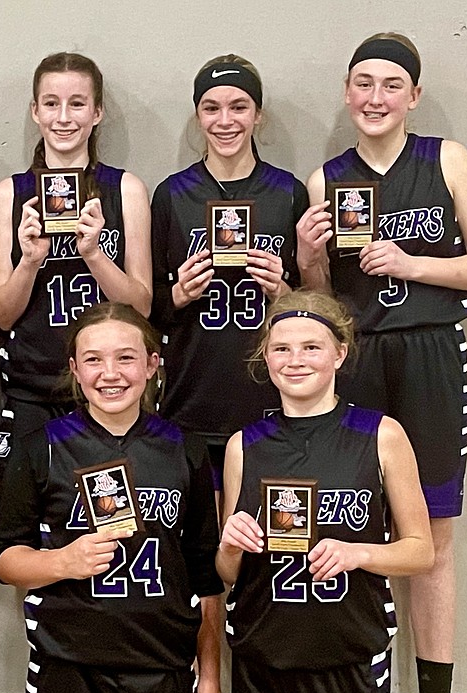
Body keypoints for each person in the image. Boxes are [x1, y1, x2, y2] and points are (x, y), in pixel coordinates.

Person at [296, 32, 467, 693]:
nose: (376, 96)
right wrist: (311, 254)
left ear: (412, 96)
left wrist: (412, 261)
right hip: (357, 359)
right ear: (347, 93)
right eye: (363, 83)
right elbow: (318, 300)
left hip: (427, 354)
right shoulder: (326, 180)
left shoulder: (444, 159)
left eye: (391, 84)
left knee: (434, 535)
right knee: (354, 531)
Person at [0, 303, 222, 693]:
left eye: (125, 358)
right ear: (74, 368)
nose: (110, 373)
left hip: (160, 667)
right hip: (72, 665)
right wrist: (61, 563)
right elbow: (4, 560)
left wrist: (209, 676)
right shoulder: (40, 445)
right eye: (93, 359)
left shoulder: (185, 449)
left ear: (152, 366)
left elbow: (205, 573)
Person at [216, 290, 433, 693]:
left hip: (346, 653)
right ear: (265, 358)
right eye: (281, 348)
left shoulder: (380, 435)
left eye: (311, 346)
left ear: (340, 353)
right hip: (267, 656)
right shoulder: (245, 445)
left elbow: (420, 552)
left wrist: (359, 552)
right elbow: (225, 573)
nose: (295, 359)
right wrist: (231, 543)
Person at [0, 52, 152, 481]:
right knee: (19, 519)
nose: (64, 117)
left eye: (77, 103)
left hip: (108, 384)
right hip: (31, 387)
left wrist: (95, 254)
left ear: (97, 113)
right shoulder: (8, 195)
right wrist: (29, 261)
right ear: (35, 111)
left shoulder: (125, 189)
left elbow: (143, 306)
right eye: (51, 103)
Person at [151, 54, 309, 480]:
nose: (225, 120)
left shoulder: (288, 192)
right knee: (204, 541)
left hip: (269, 397)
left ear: (258, 115)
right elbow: (146, 309)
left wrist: (282, 292)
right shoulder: (173, 195)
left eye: (239, 106)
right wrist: (179, 294)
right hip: (193, 393)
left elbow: (315, 307)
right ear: (198, 115)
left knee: (265, 538)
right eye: (211, 108)